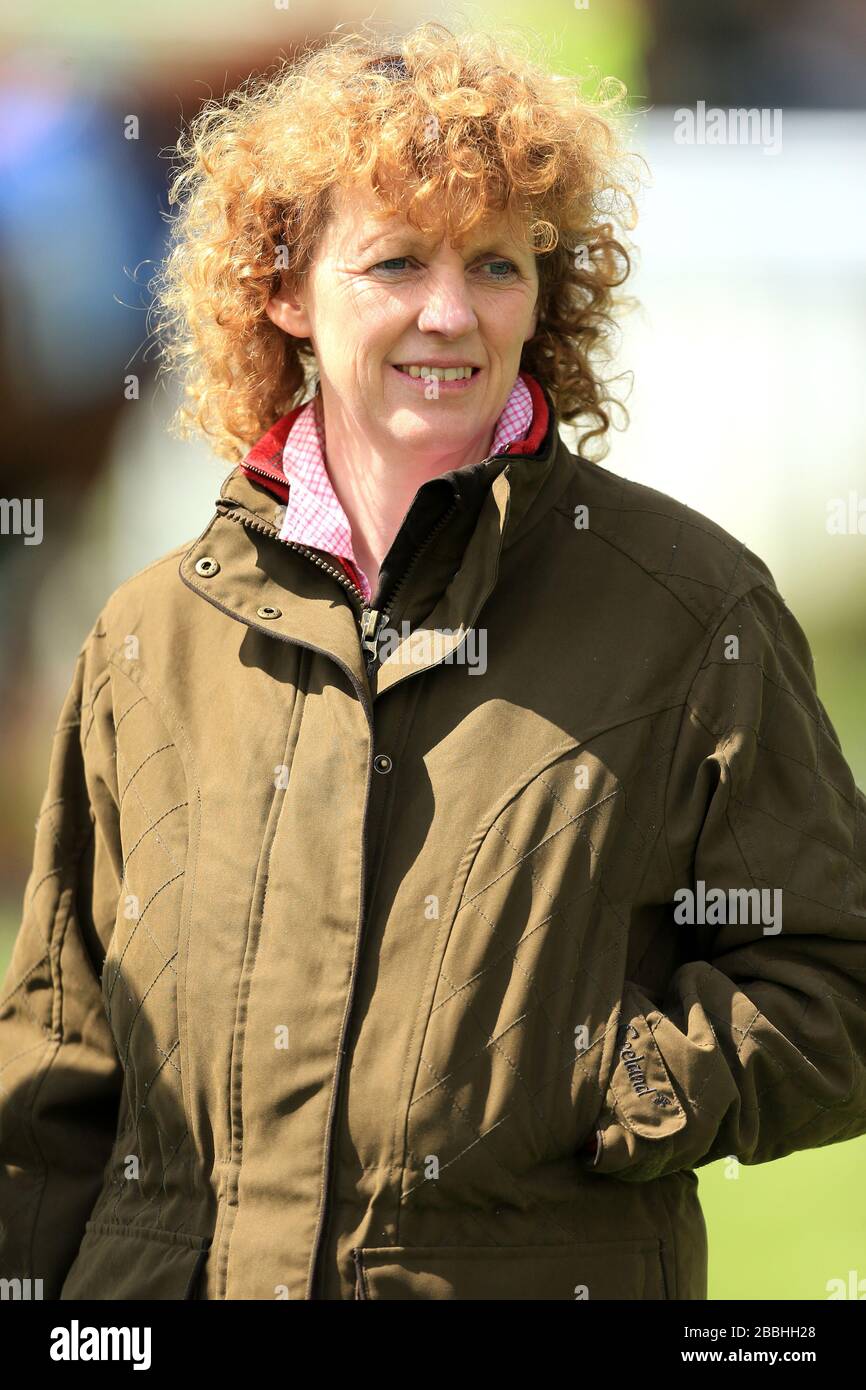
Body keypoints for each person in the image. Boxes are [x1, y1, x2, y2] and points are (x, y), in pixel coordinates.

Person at [2, 22, 865, 1303]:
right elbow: (56, 1061)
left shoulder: (690, 610)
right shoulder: (148, 636)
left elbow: (833, 984)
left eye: (497, 265)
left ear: (547, 292)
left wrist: (598, 1080)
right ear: (284, 290)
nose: (450, 314)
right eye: (395, 261)